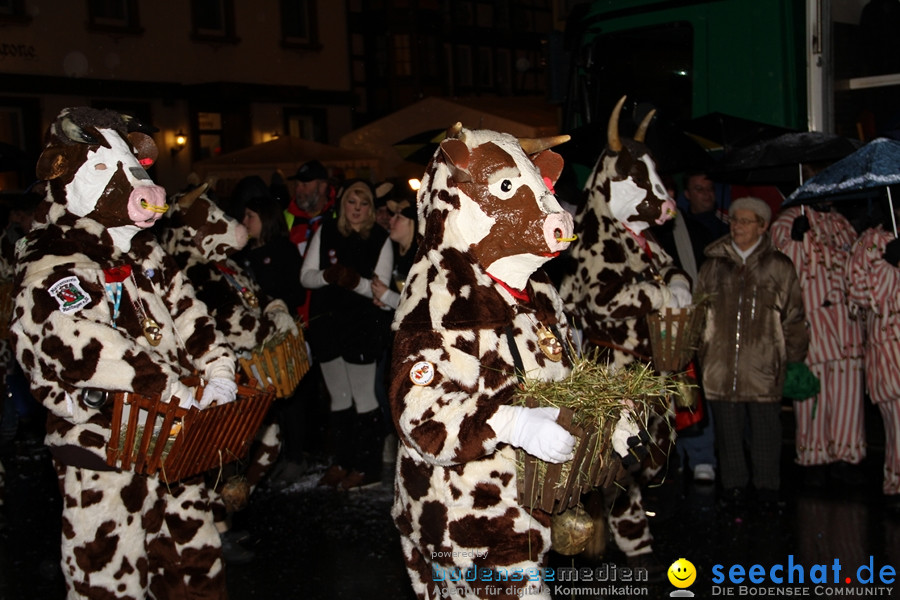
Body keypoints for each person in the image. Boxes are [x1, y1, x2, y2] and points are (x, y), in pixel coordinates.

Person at [11, 107, 238, 597]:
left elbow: (190, 314)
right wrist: (173, 389)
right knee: (109, 579)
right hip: (105, 449)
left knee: (190, 564)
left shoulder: (146, 253)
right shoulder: (54, 262)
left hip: (176, 442)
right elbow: (84, 348)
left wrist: (218, 371)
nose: (137, 185)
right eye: (106, 171)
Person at [694, 196, 809, 508]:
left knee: (766, 434)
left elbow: (794, 318)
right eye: (734, 220)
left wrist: (794, 362)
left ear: (763, 226)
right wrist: (696, 354)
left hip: (763, 367)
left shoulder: (779, 266)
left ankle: (768, 487)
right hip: (719, 367)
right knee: (728, 434)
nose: (737, 226)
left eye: (746, 221)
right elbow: (698, 315)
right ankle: (733, 488)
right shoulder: (713, 265)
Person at [301, 178, 393, 490]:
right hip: (327, 324)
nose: (356, 209)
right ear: (343, 205)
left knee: (364, 397)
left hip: (362, 326)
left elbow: (382, 291)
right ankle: (342, 461)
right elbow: (306, 277)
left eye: (363, 203)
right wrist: (328, 275)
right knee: (339, 398)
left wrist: (356, 283)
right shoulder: (326, 231)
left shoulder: (381, 239)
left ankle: (368, 466)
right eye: (351, 203)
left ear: (370, 209)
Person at [770, 204, 866, 487]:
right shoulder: (788, 221)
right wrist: (797, 241)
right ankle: (813, 457)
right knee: (812, 397)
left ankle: (847, 458)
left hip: (846, 328)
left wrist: (872, 243)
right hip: (812, 327)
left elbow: (860, 261)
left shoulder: (841, 223)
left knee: (848, 399)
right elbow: (780, 266)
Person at [235, 176, 312, 484]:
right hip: (254, 337)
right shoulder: (242, 256)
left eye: (249, 217)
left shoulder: (283, 250)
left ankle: (296, 457)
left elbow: (295, 294)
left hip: (280, 337)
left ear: (264, 219)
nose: (244, 222)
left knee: (289, 399)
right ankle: (270, 455)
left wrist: (270, 303)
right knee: (265, 403)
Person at [846, 207, 900, 513]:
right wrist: (887, 264)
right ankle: (896, 484)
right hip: (891, 348)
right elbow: (856, 291)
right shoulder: (870, 241)